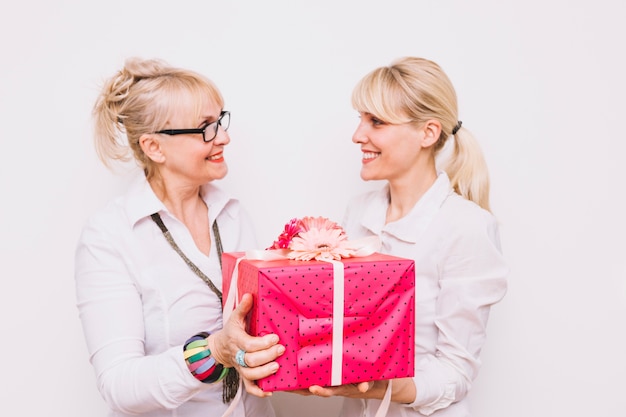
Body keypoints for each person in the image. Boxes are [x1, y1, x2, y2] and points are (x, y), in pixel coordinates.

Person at [74, 57, 284, 417]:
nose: (224, 137)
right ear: (155, 147)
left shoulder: (233, 215)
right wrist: (215, 351)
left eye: (220, 120)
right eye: (205, 127)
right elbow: (118, 385)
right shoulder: (109, 237)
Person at [301, 57, 509, 416]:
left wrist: (388, 388)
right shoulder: (359, 213)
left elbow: (457, 372)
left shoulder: (466, 227)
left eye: (376, 122)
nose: (357, 135)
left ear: (428, 133)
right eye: (361, 119)